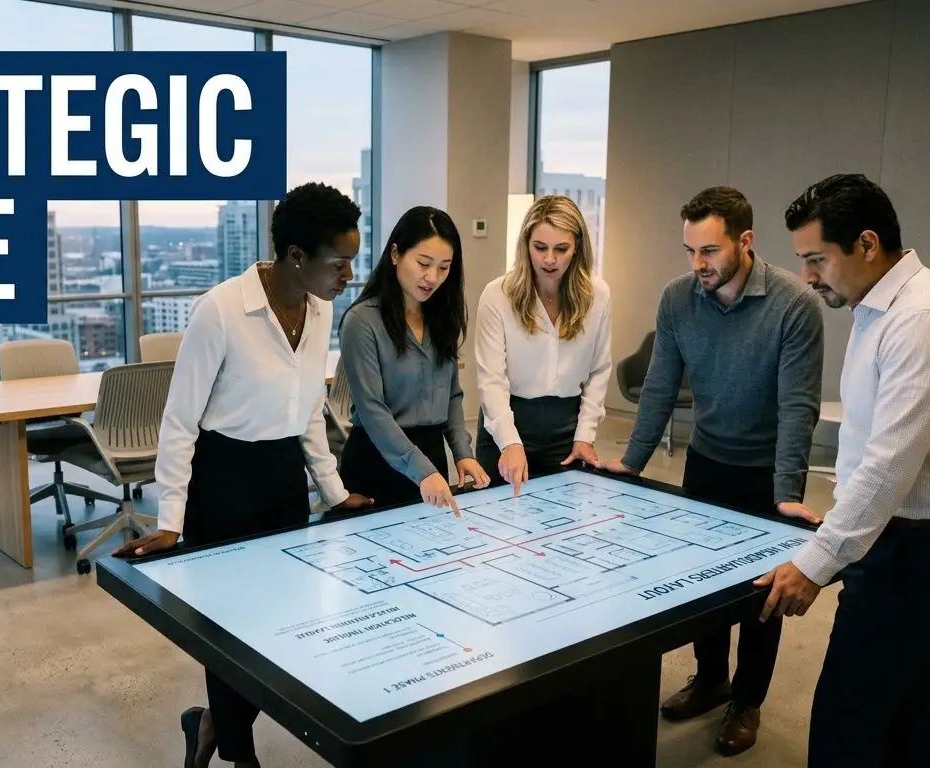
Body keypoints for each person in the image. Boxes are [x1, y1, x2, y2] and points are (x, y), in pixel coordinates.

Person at [112, 181, 373, 768]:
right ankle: (239, 752)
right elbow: (179, 421)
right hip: (223, 477)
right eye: (340, 261)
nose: (348, 275)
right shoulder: (222, 310)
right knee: (228, 632)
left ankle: (207, 725)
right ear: (297, 256)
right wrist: (170, 520)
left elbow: (308, 408)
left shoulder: (321, 308)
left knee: (277, 628)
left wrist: (332, 493)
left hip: (284, 477)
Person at [756, 173, 930, 768]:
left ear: (866, 244)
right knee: (906, 703)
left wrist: (814, 563)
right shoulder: (877, 309)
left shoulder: (925, 319)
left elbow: (888, 469)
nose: (807, 277)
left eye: (816, 259)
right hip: (898, 541)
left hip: (919, 551)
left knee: (847, 721)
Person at [594, 186, 824, 756]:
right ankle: (712, 679)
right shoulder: (678, 300)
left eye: (709, 252)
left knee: (762, 598)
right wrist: (630, 464)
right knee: (701, 588)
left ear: (745, 242)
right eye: (689, 251)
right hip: (707, 464)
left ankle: (747, 701)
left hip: (766, 473)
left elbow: (799, 407)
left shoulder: (795, 306)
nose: (697, 265)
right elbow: (659, 387)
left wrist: (787, 493)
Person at [337, 205, 489, 514]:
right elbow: (372, 410)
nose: (432, 277)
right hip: (377, 460)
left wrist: (463, 453)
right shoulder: (361, 321)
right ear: (395, 254)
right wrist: (423, 471)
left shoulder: (442, 317)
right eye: (423, 263)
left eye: (444, 267)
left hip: (430, 457)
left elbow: (451, 395)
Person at [474, 194, 612, 493]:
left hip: (566, 429)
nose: (550, 259)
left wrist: (585, 434)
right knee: (499, 529)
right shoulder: (497, 295)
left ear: (577, 248)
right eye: (540, 248)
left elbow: (599, 370)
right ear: (526, 245)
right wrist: (510, 442)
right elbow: (491, 379)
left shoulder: (598, 295)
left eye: (561, 249)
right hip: (505, 425)